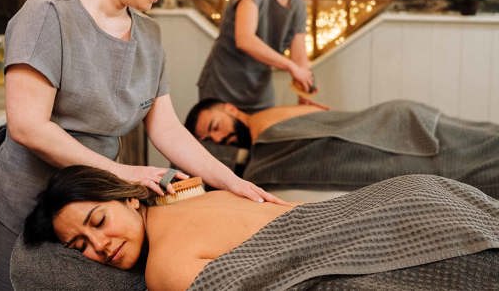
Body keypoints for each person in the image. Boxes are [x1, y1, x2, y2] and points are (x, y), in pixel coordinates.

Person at [0, 0, 281, 289]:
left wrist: (231, 181)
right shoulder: (49, 14)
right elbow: (28, 126)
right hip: (32, 207)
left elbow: (167, 129)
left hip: (105, 211)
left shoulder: (149, 35)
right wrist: (119, 172)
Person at [20, 165, 499, 291]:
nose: (99, 246)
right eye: (80, 245)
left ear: (127, 196)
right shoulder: (192, 191)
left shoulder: (163, 270)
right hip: (411, 196)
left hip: (373, 223)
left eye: (97, 221)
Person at [184, 98, 499, 198]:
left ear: (229, 108)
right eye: (210, 141)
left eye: (215, 126)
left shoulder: (264, 135)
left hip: (399, 138)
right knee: (484, 146)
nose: (220, 139)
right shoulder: (274, 126)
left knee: (479, 160)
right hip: (400, 125)